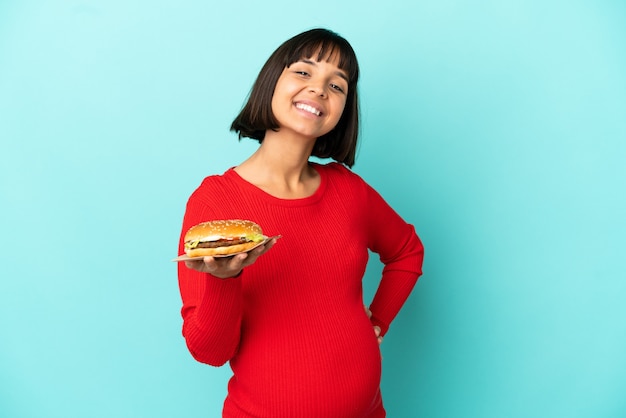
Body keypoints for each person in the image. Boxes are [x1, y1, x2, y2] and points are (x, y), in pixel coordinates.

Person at [177, 28, 424, 417]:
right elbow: (208, 352)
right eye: (304, 73)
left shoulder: (350, 192)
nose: (320, 90)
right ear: (272, 80)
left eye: (337, 85)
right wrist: (223, 280)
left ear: (345, 107)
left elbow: (407, 251)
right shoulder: (216, 203)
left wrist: (378, 321)